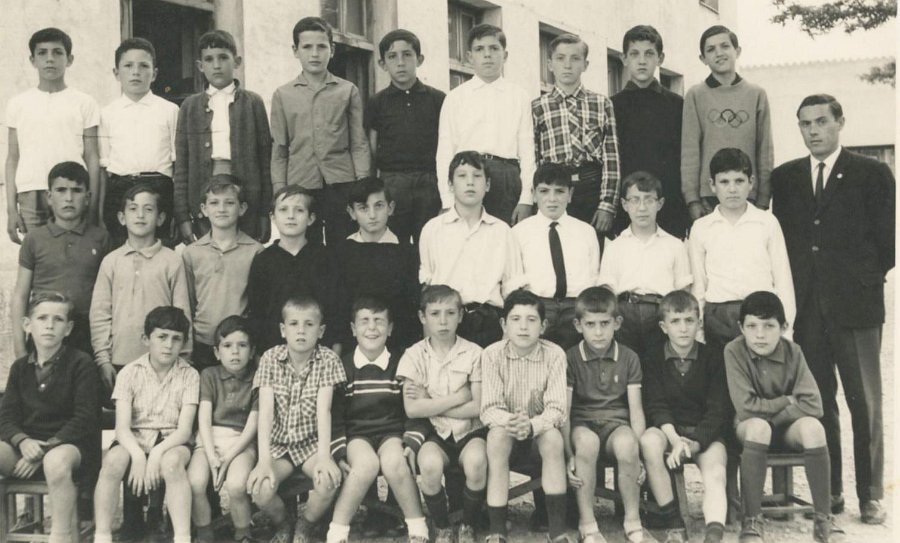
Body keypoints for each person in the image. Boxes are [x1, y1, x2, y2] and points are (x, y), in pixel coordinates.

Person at [771, 94, 895, 524]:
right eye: (805, 124)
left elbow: (888, 244)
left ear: (840, 122)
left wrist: (857, 280)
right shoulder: (785, 178)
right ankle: (832, 491)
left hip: (856, 307)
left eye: (822, 121)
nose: (814, 131)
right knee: (819, 402)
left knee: (865, 402)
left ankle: (871, 495)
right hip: (807, 310)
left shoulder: (872, 174)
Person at [724, 292, 844, 543]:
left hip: (786, 428)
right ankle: (752, 520)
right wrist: (786, 401)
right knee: (759, 427)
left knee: (814, 428)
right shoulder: (733, 350)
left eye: (769, 326)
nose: (760, 334)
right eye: (752, 326)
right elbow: (746, 408)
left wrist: (776, 418)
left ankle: (823, 518)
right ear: (741, 328)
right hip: (749, 429)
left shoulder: (793, 351)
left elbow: (814, 404)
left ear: (784, 327)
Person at [92, 306, 199, 543]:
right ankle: (102, 535)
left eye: (176, 339)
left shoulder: (190, 375)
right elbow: (122, 428)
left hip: (172, 441)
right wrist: (139, 456)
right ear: (146, 339)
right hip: (134, 439)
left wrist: (157, 453)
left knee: (172, 464)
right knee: (112, 462)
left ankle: (182, 537)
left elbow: (184, 431)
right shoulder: (129, 373)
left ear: (183, 343)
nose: (168, 345)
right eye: (162, 337)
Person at [0, 292, 101, 543]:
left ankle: (61, 536)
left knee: (55, 462)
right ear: (27, 324)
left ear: (68, 329)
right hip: (27, 449)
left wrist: (45, 449)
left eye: (58, 319)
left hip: (70, 449)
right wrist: (23, 442)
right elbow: (6, 417)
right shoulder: (20, 368)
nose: (49, 325)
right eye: (42, 318)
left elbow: (85, 418)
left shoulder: (81, 364)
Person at [327, 298, 430, 543]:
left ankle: (417, 527)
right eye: (364, 321)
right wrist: (338, 452)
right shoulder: (342, 367)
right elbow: (335, 416)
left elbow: (415, 409)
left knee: (396, 463)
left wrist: (412, 441)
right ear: (353, 329)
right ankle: (337, 531)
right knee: (365, 465)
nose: (372, 328)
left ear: (390, 328)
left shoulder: (402, 363)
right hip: (357, 435)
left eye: (379, 321)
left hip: (392, 433)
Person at [247, 296, 345, 543]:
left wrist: (325, 456)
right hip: (278, 447)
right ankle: (283, 523)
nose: (301, 330)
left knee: (328, 482)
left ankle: (306, 523)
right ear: (283, 330)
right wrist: (264, 461)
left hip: (312, 445)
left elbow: (324, 410)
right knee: (261, 488)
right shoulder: (270, 358)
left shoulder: (328, 360)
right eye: (294, 324)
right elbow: (265, 412)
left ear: (320, 331)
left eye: (309, 324)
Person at [640, 291, 732, 543]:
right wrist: (675, 439)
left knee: (716, 472)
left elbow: (718, 410)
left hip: (704, 433)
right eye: (675, 321)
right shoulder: (652, 358)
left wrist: (694, 443)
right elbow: (657, 406)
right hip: (669, 430)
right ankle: (674, 525)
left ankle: (713, 535)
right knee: (649, 442)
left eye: (689, 321)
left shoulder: (714, 357)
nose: (683, 328)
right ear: (663, 326)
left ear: (699, 323)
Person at [397, 285, 486, 543]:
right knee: (429, 465)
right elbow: (412, 408)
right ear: (422, 317)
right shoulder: (414, 355)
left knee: (477, 462)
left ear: (461, 315)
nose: (443, 321)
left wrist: (430, 400)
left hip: (471, 431)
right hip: (435, 433)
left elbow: (478, 407)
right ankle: (442, 525)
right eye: (435, 314)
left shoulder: (475, 353)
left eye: (450, 313)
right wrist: (458, 397)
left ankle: (468, 524)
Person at [270, 16, 371, 245]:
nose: (314, 54)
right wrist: (280, 191)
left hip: (342, 184)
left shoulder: (347, 90)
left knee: (344, 245)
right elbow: (280, 149)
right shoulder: (283, 95)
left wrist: (362, 184)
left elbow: (358, 142)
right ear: (295, 51)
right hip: (300, 185)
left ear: (332, 50)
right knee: (307, 248)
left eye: (321, 47)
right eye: (307, 47)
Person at [481, 289, 571, 543]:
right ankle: (497, 530)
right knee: (496, 438)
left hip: (539, 433)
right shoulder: (491, 354)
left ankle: (557, 532)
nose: (523, 327)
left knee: (553, 438)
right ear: (503, 325)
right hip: (506, 431)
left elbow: (557, 408)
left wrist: (531, 426)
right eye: (515, 319)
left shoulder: (555, 354)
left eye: (531, 320)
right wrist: (512, 423)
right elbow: (489, 408)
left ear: (543, 326)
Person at [90, 183, 191, 397]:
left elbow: (183, 314)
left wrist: (184, 359)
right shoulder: (111, 262)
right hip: (120, 360)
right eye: (133, 209)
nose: (140, 215)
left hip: (162, 362)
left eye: (148, 209)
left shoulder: (172, 261)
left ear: (160, 218)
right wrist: (103, 359)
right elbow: (100, 314)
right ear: (121, 217)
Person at [688, 147, 794, 350]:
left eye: (739, 181)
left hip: (761, 314)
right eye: (724, 182)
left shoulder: (767, 223)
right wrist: (699, 333)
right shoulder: (701, 228)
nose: (732, 189)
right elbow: (699, 285)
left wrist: (786, 331)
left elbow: (783, 280)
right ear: (712, 185)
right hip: (718, 318)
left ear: (751, 182)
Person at [563, 286, 646, 543]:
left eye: (604, 324)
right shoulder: (570, 358)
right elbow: (565, 411)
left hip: (616, 423)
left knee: (627, 444)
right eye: (590, 324)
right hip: (582, 423)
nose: (598, 332)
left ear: (617, 323)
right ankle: (588, 524)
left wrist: (640, 453)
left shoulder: (629, 358)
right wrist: (568, 454)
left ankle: (632, 520)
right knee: (587, 444)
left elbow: (635, 410)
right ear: (578, 325)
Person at [173, 29, 272, 244]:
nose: (216, 65)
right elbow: (181, 167)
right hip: (203, 187)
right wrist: (183, 216)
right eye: (209, 59)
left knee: (244, 250)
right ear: (200, 66)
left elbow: (265, 161)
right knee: (209, 250)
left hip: (247, 189)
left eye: (223, 58)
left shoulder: (253, 103)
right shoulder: (189, 107)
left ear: (237, 61)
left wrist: (264, 212)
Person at [6, 27, 100, 243]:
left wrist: (93, 206)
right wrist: (11, 209)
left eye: (57, 52)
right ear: (32, 60)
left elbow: (92, 156)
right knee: (38, 255)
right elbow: (12, 158)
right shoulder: (18, 103)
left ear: (70, 59)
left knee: (74, 253)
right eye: (42, 53)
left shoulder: (84, 102)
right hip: (31, 193)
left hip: (71, 191)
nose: (50, 59)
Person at [419, 151, 523, 347]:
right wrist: (429, 343)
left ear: (488, 185)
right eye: (462, 176)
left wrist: (506, 337)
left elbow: (512, 289)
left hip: (490, 322)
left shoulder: (502, 231)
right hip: (447, 322)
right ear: (450, 185)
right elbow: (428, 289)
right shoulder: (433, 230)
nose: (470, 182)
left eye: (477, 176)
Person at [436, 24, 535, 225]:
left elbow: (527, 151)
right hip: (467, 175)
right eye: (480, 49)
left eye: (494, 48)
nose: (487, 55)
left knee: (504, 237)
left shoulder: (519, 96)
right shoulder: (455, 97)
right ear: (469, 56)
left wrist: (526, 198)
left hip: (506, 177)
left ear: (505, 55)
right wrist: (447, 199)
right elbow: (445, 151)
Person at [11, 161, 110, 359]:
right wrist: (20, 348)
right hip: (44, 330)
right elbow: (21, 295)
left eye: (76, 191)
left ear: (88, 197)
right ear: (49, 197)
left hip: (86, 333)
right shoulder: (34, 239)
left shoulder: (100, 238)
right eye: (61, 190)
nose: (69, 198)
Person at [532, 33, 620, 240]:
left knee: (590, 247)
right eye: (560, 58)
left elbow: (612, 158)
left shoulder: (602, 104)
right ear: (550, 64)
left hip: (591, 188)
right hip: (554, 188)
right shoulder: (538, 106)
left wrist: (607, 204)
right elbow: (534, 157)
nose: (567, 65)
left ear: (585, 65)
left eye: (575, 58)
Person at [681, 25, 773, 221]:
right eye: (711, 49)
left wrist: (764, 197)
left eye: (725, 46)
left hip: (748, 194)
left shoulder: (756, 94)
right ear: (703, 58)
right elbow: (690, 151)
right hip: (709, 197)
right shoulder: (695, 95)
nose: (719, 53)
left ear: (737, 51)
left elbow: (764, 149)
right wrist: (692, 199)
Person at [598, 171, 691, 362]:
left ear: (660, 203)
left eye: (649, 200)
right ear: (624, 204)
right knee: (626, 365)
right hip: (625, 314)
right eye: (635, 200)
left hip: (662, 313)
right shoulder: (615, 246)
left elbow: (684, 291)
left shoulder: (675, 245)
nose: (642, 208)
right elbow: (608, 290)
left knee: (659, 366)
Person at [366, 29, 445, 245]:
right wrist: (374, 188)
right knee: (393, 245)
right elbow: (372, 146)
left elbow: (447, 144)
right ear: (383, 64)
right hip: (392, 182)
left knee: (429, 244)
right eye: (392, 56)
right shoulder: (377, 102)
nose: (400, 63)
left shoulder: (437, 99)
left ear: (419, 59)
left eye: (407, 55)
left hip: (429, 182)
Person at [99, 37, 179, 247]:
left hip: (159, 188)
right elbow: (104, 165)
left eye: (144, 66)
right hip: (120, 189)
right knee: (120, 249)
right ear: (116, 73)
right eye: (128, 66)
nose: (136, 72)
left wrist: (179, 210)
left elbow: (177, 163)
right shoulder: (106, 114)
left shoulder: (170, 110)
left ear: (155, 73)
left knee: (160, 249)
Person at [512, 163, 600, 350]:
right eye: (544, 191)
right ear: (533, 194)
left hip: (576, 307)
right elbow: (515, 279)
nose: (552, 199)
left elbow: (593, 276)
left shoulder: (586, 231)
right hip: (538, 306)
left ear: (570, 194)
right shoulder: (519, 233)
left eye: (559, 191)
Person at [611, 25, 688, 239]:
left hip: (669, 205)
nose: (642, 61)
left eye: (649, 54)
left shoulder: (677, 105)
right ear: (624, 58)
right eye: (634, 54)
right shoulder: (611, 106)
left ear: (660, 58)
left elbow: (684, 157)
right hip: (627, 206)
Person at [188, 316, 259, 543]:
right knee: (196, 482)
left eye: (242, 345)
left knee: (237, 485)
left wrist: (228, 458)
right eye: (227, 346)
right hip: (209, 441)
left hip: (241, 442)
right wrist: (211, 456)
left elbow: (253, 424)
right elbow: (204, 418)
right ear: (217, 352)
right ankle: (204, 532)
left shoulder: (258, 377)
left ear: (252, 351)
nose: (235, 352)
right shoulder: (209, 375)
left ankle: (243, 532)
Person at [183, 176, 263, 370]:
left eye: (229, 203)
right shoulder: (192, 252)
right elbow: (188, 302)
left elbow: (258, 305)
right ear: (204, 209)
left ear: (242, 208)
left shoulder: (255, 251)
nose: (221, 209)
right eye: (214, 203)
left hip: (240, 345)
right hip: (203, 342)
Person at [246, 185, 339, 353]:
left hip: (321, 351)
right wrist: (260, 353)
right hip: (275, 351)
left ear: (311, 218)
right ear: (273, 217)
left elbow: (336, 308)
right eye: (283, 210)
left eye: (299, 210)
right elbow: (257, 312)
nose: (291, 216)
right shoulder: (263, 260)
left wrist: (336, 347)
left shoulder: (326, 258)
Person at [333, 177, 420, 351]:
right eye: (363, 208)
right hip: (352, 346)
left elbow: (410, 307)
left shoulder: (407, 252)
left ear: (391, 208)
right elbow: (338, 306)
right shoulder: (341, 252)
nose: (372, 215)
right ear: (351, 212)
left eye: (378, 206)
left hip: (397, 345)